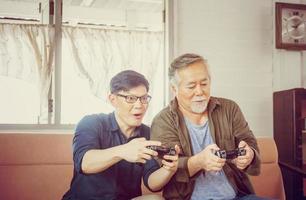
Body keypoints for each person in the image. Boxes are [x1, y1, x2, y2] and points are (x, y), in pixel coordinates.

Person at [150, 53, 264, 200]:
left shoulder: (229, 108)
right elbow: (170, 171)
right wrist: (199, 161)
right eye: (191, 86)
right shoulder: (162, 121)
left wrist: (250, 155)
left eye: (204, 84)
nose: (200, 92)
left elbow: (250, 143)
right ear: (174, 89)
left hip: (237, 196)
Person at [62, 70, 180, 200]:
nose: (139, 105)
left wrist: (168, 170)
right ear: (113, 99)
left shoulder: (147, 133)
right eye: (130, 98)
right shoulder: (91, 123)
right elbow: (85, 163)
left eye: (144, 98)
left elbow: (152, 183)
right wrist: (123, 151)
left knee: (155, 199)